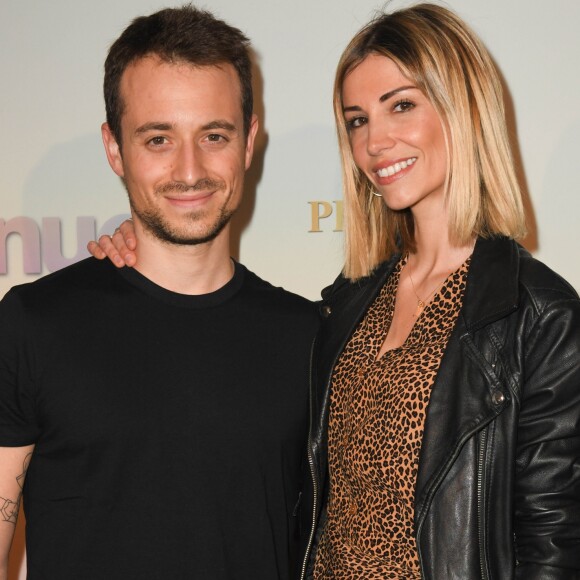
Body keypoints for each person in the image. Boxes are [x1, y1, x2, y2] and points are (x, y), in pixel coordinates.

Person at [90, 4, 580, 579]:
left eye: (401, 105)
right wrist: (139, 246)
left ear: (463, 107)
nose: (375, 141)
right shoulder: (348, 302)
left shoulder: (536, 315)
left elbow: (553, 544)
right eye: (356, 119)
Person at [0, 6, 318, 579]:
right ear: (115, 148)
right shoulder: (32, 324)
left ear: (249, 142)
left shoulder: (312, 336)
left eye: (213, 135)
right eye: (158, 139)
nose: (189, 169)